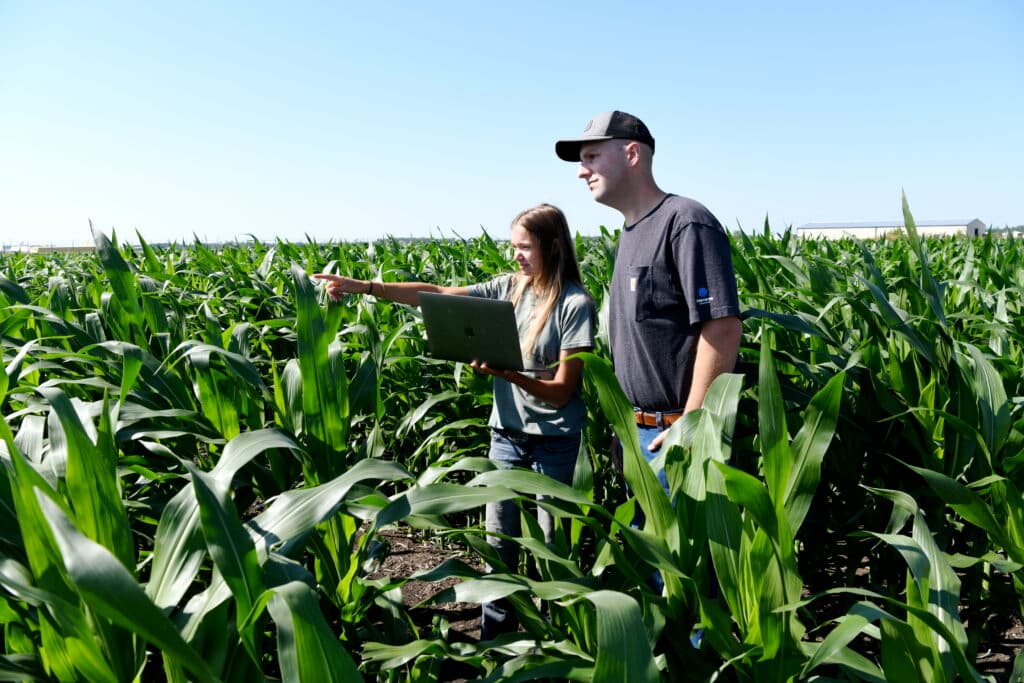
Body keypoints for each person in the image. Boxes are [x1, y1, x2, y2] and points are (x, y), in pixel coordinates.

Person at [314, 203, 595, 640]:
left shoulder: (575, 305)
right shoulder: (510, 287)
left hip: (554, 441)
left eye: (524, 247)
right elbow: (439, 295)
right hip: (506, 436)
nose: (514, 256)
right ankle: (496, 638)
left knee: (552, 547)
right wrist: (363, 286)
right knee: (498, 545)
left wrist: (510, 375)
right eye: (512, 246)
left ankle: (557, 639)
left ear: (552, 246)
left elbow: (562, 390)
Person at [554, 110, 742, 493]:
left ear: (632, 154)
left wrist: (693, 424)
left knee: (679, 553)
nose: (581, 171)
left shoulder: (685, 222)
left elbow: (722, 327)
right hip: (637, 434)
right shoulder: (630, 232)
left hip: (677, 435)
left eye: (591, 157)